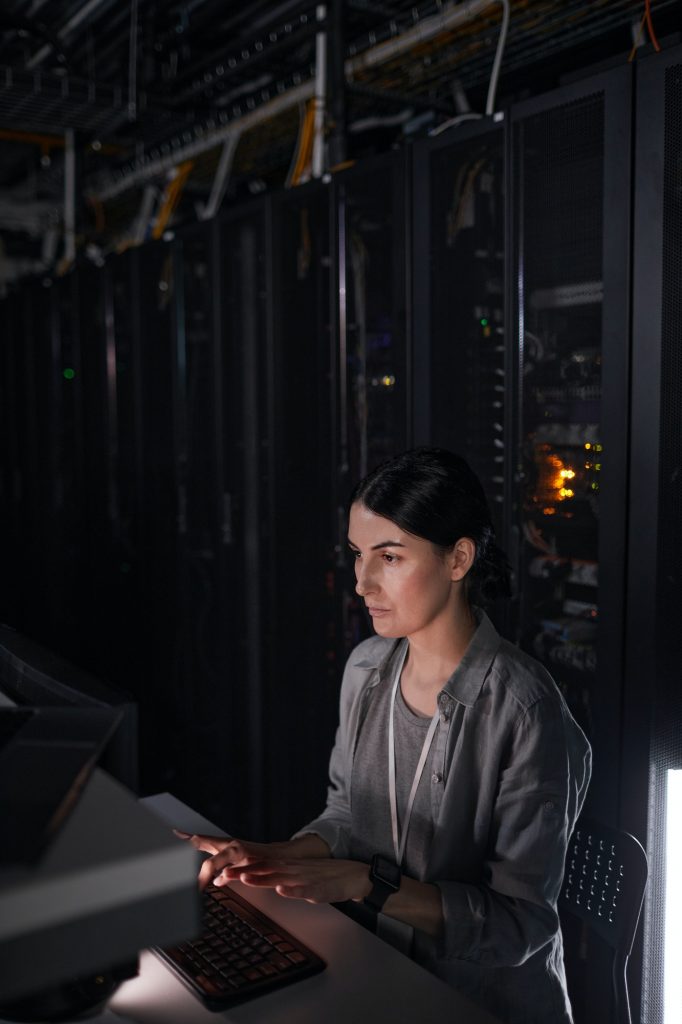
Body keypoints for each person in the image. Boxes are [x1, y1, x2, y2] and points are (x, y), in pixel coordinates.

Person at [176, 446, 592, 1024]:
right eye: (357, 555)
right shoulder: (366, 669)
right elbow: (346, 815)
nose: (362, 582)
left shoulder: (525, 710)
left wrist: (363, 885)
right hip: (372, 967)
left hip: (474, 1002)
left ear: (458, 559)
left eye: (389, 556)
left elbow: (518, 926)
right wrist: (269, 858)